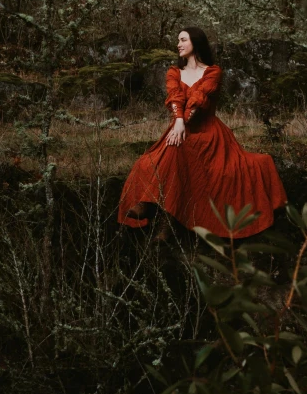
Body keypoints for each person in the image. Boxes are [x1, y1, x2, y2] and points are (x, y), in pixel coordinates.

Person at [118, 27, 288, 238]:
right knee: (148, 161)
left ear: (196, 43)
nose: (178, 44)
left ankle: (161, 215)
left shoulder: (213, 72)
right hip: (180, 130)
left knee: (179, 149)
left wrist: (182, 121)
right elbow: (175, 97)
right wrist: (179, 121)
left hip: (208, 133)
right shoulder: (174, 72)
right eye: (178, 41)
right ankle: (159, 212)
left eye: (183, 40)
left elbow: (198, 100)